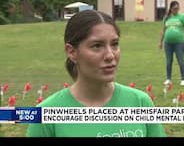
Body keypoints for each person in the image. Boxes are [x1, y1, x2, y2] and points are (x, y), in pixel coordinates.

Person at [26, 10, 166, 137]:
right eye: (97, 46)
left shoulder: (141, 102)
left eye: (115, 44)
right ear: (72, 52)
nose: (110, 55)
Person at [159, 1, 184, 86]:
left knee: (180, 61)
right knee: (169, 61)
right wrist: (160, 42)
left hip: (179, 43)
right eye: (175, 8)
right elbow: (163, 31)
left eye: (178, 8)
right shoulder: (166, 17)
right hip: (168, 43)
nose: (177, 10)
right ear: (171, 8)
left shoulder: (182, 17)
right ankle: (168, 79)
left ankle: (183, 79)